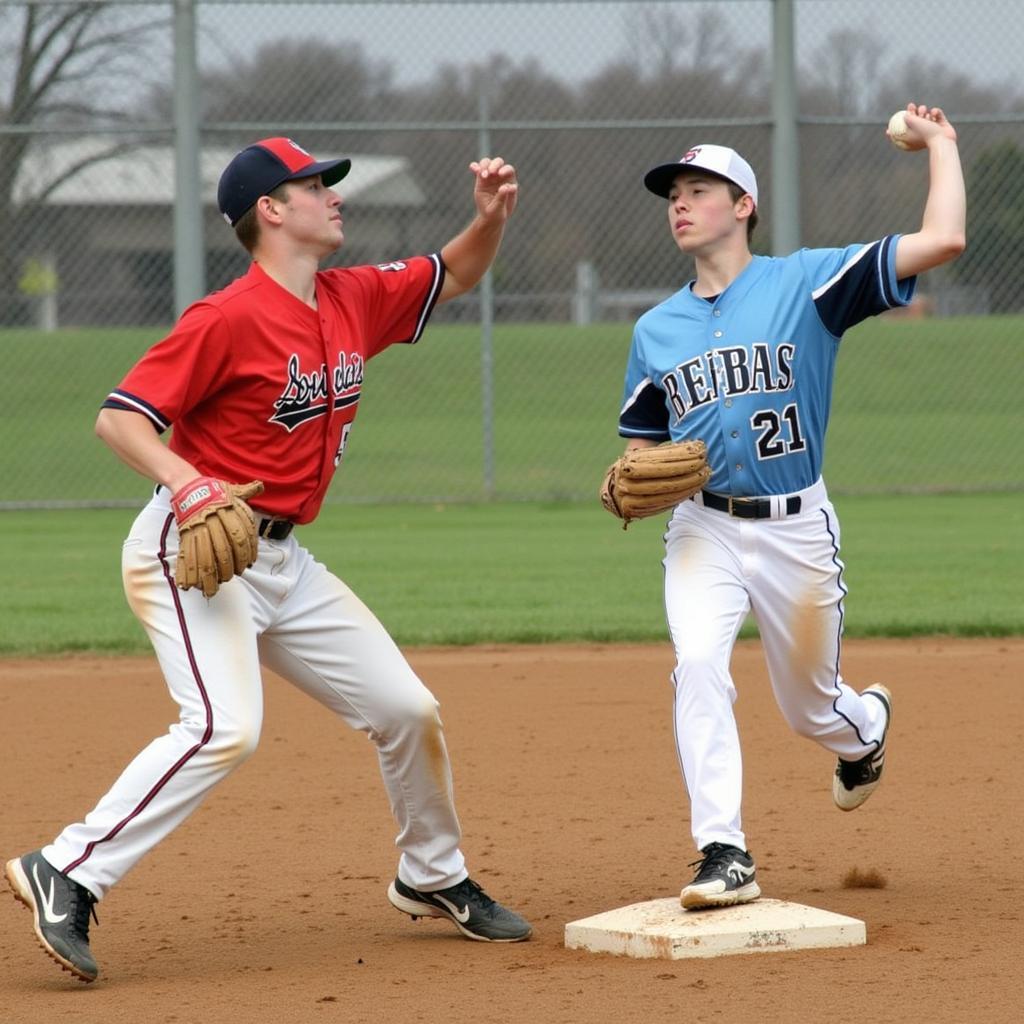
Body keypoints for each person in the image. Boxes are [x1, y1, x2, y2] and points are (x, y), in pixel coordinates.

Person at [5, 136, 531, 984]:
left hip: (282, 560)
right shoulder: (224, 318)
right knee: (224, 726)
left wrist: (489, 219)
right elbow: (120, 419)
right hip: (196, 555)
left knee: (408, 709)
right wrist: (186, 485)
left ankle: (429, 877)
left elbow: (454, 273)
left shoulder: (353, 297)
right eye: (314, 184)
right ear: (271, 211)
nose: (333, 194)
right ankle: (68, 868)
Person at [608, 105, 965, 909]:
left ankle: (864, 730)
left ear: (744, 206)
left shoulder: (809, 281)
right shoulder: (655, 329)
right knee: (697, 664)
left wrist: (940, 143)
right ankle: (724, 850)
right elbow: (641, 447)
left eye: (700, 188)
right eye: (673, 192)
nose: (680, 202)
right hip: (702, 528)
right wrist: (626, 477)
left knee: (809, 710)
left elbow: (943, 242)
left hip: (797, 527)